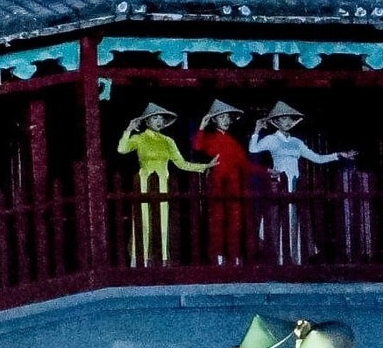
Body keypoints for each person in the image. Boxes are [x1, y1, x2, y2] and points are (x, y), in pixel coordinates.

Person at [248, 101, 354, 263]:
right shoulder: (271, 139)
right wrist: (256, 131)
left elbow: (317, 158)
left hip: (295, 184)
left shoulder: (297, 142)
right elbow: (253, 150)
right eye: (283, 119)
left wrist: (339, 155)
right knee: (278, 220)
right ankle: (279, 259)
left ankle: (295, 258)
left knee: (295, 220)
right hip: (280, 184)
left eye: (290, 119)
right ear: (276, 121)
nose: (288, 122)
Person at [117, 102, 215, 266]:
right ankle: (139, 262)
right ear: (147, 121)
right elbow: (122, 149)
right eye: (155, 118)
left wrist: (204, 166)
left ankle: (163, 261)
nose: (159, 121)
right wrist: (128, 130)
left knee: (163, 224)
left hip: (163, 184)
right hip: (143, 183)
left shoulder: (168, 141)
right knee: (143, 222)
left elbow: (182, 164)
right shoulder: (139, 138)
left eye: (161, 119)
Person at [191, 100, 267, 264]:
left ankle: (235, 257)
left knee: (236, 223)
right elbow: (197, 147)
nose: (225, 120)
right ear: (214, 120)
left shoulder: (234, 142)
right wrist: (201, 127)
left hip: (236, 186)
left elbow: (245, 165)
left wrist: (266, 171)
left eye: (227, 117)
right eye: (221, 117)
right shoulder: (209, 138)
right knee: (217, 223)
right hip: (218, 185)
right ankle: (217, 258)